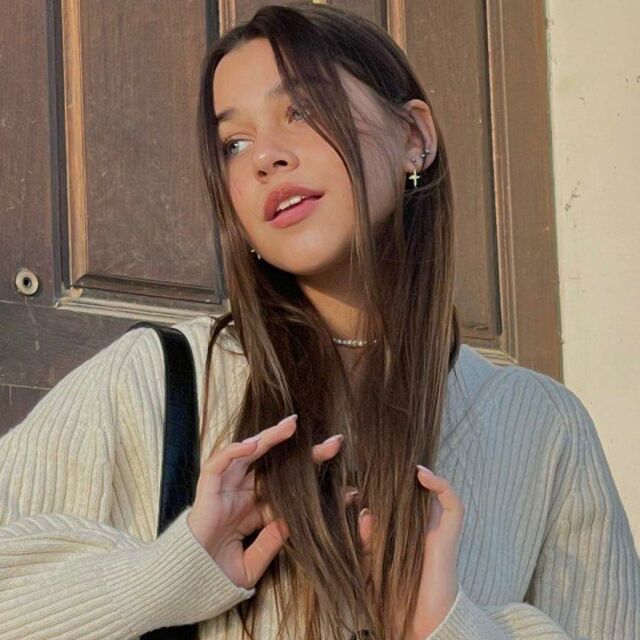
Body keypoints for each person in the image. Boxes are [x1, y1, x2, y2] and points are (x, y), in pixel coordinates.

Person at [0, 3, 638, 639]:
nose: (264, 159)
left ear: (414, 136)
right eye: (234, 144)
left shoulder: (543, 427)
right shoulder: (154, 380)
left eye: (301, 111)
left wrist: (449, 626)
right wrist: (167, 575)